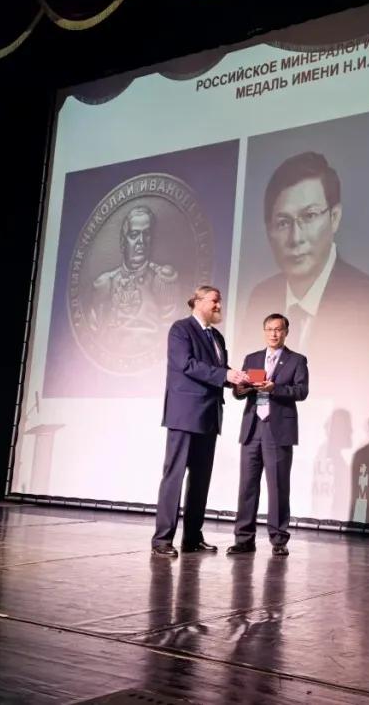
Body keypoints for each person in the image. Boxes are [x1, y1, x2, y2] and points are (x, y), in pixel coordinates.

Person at [238, 152, 369, 389]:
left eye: (310, 216)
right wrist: (245, 385)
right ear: (269, 231)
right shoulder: (261, 296)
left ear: (334, 218)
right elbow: (251, 382)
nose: (296, 238)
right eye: (283, 222)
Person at [151, 286, 249, 558]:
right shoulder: (181, 329)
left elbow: (219, 372)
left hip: (209, 415)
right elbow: (187, 364)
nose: (219, 306)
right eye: (215, 301)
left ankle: (192, 537)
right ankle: (162, 540)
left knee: (200, 480)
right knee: (174, 477)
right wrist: (226, 375)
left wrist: (238, 382)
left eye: (220, 301)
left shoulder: (216, 336)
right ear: (198, 301)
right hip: (185, 414)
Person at [228, 313, 309, 557]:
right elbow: (238, 393)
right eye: (270, 329)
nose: (274, 333)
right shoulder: (252, 358)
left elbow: (301, 391)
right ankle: (244, 539)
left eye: (278, 329)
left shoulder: (296, 360)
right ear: (264, 332)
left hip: (278, 429)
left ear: (286, 332)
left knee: (278, 486)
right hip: (253, 427)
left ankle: (279, 539)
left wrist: (275, 388)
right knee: (247, 486)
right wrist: (240, 388)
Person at [90, 205, 179, 341]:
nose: (141, 242)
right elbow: (93, 334)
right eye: (134, 235)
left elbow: (172, 335)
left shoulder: (163, 279)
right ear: (123, 241)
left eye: (146, 234)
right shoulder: (105, 283)